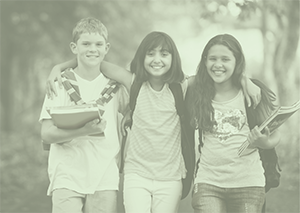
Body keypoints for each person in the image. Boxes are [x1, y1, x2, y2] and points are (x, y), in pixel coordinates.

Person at [45, 31, 262, 213]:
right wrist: (59, 67)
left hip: (170, 177)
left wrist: (244, 79)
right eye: (150, 54)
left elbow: (216, 73)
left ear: (172, 58)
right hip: (136, 174)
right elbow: (96, 60)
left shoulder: (182, 87)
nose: (157, 59)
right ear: (142, 57)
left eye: (164, 54)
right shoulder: (133, 83)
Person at [39, 17, 128, 213]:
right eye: (85, 44)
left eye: (98, 44)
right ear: (74, 47)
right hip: (66, 174)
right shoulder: (59, 84)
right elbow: (46, 133)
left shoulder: (116, 88)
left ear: (107, 48)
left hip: (105, 174)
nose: (92, 49)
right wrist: (83, 130)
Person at [187, 34, 280, 213]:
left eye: (225, 59)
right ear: (205, 61)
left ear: (237, 62)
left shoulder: (253, 93)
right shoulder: (197, 91)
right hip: (208, 182)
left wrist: (264, 143)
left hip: (249, 183)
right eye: (212, 59)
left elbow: (275, 133)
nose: (218, 64)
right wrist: (243, 77)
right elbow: (176, 81)